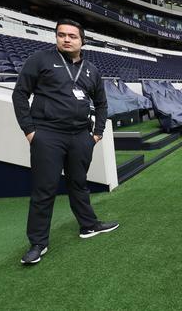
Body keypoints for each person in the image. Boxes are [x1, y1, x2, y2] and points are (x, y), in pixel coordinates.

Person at [12, 19, 119, 265]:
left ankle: (88, 225)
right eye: (61, 35)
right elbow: (20, 94)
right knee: (44, 189)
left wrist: (97, 133)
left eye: (72, 36)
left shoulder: (91, 69)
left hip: (81, 136)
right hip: (47, 134)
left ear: (82, 40)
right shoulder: (40, 60)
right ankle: (38, 243)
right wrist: (30, 130)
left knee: (79, 183)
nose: (66, 39)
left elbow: (101, 104)